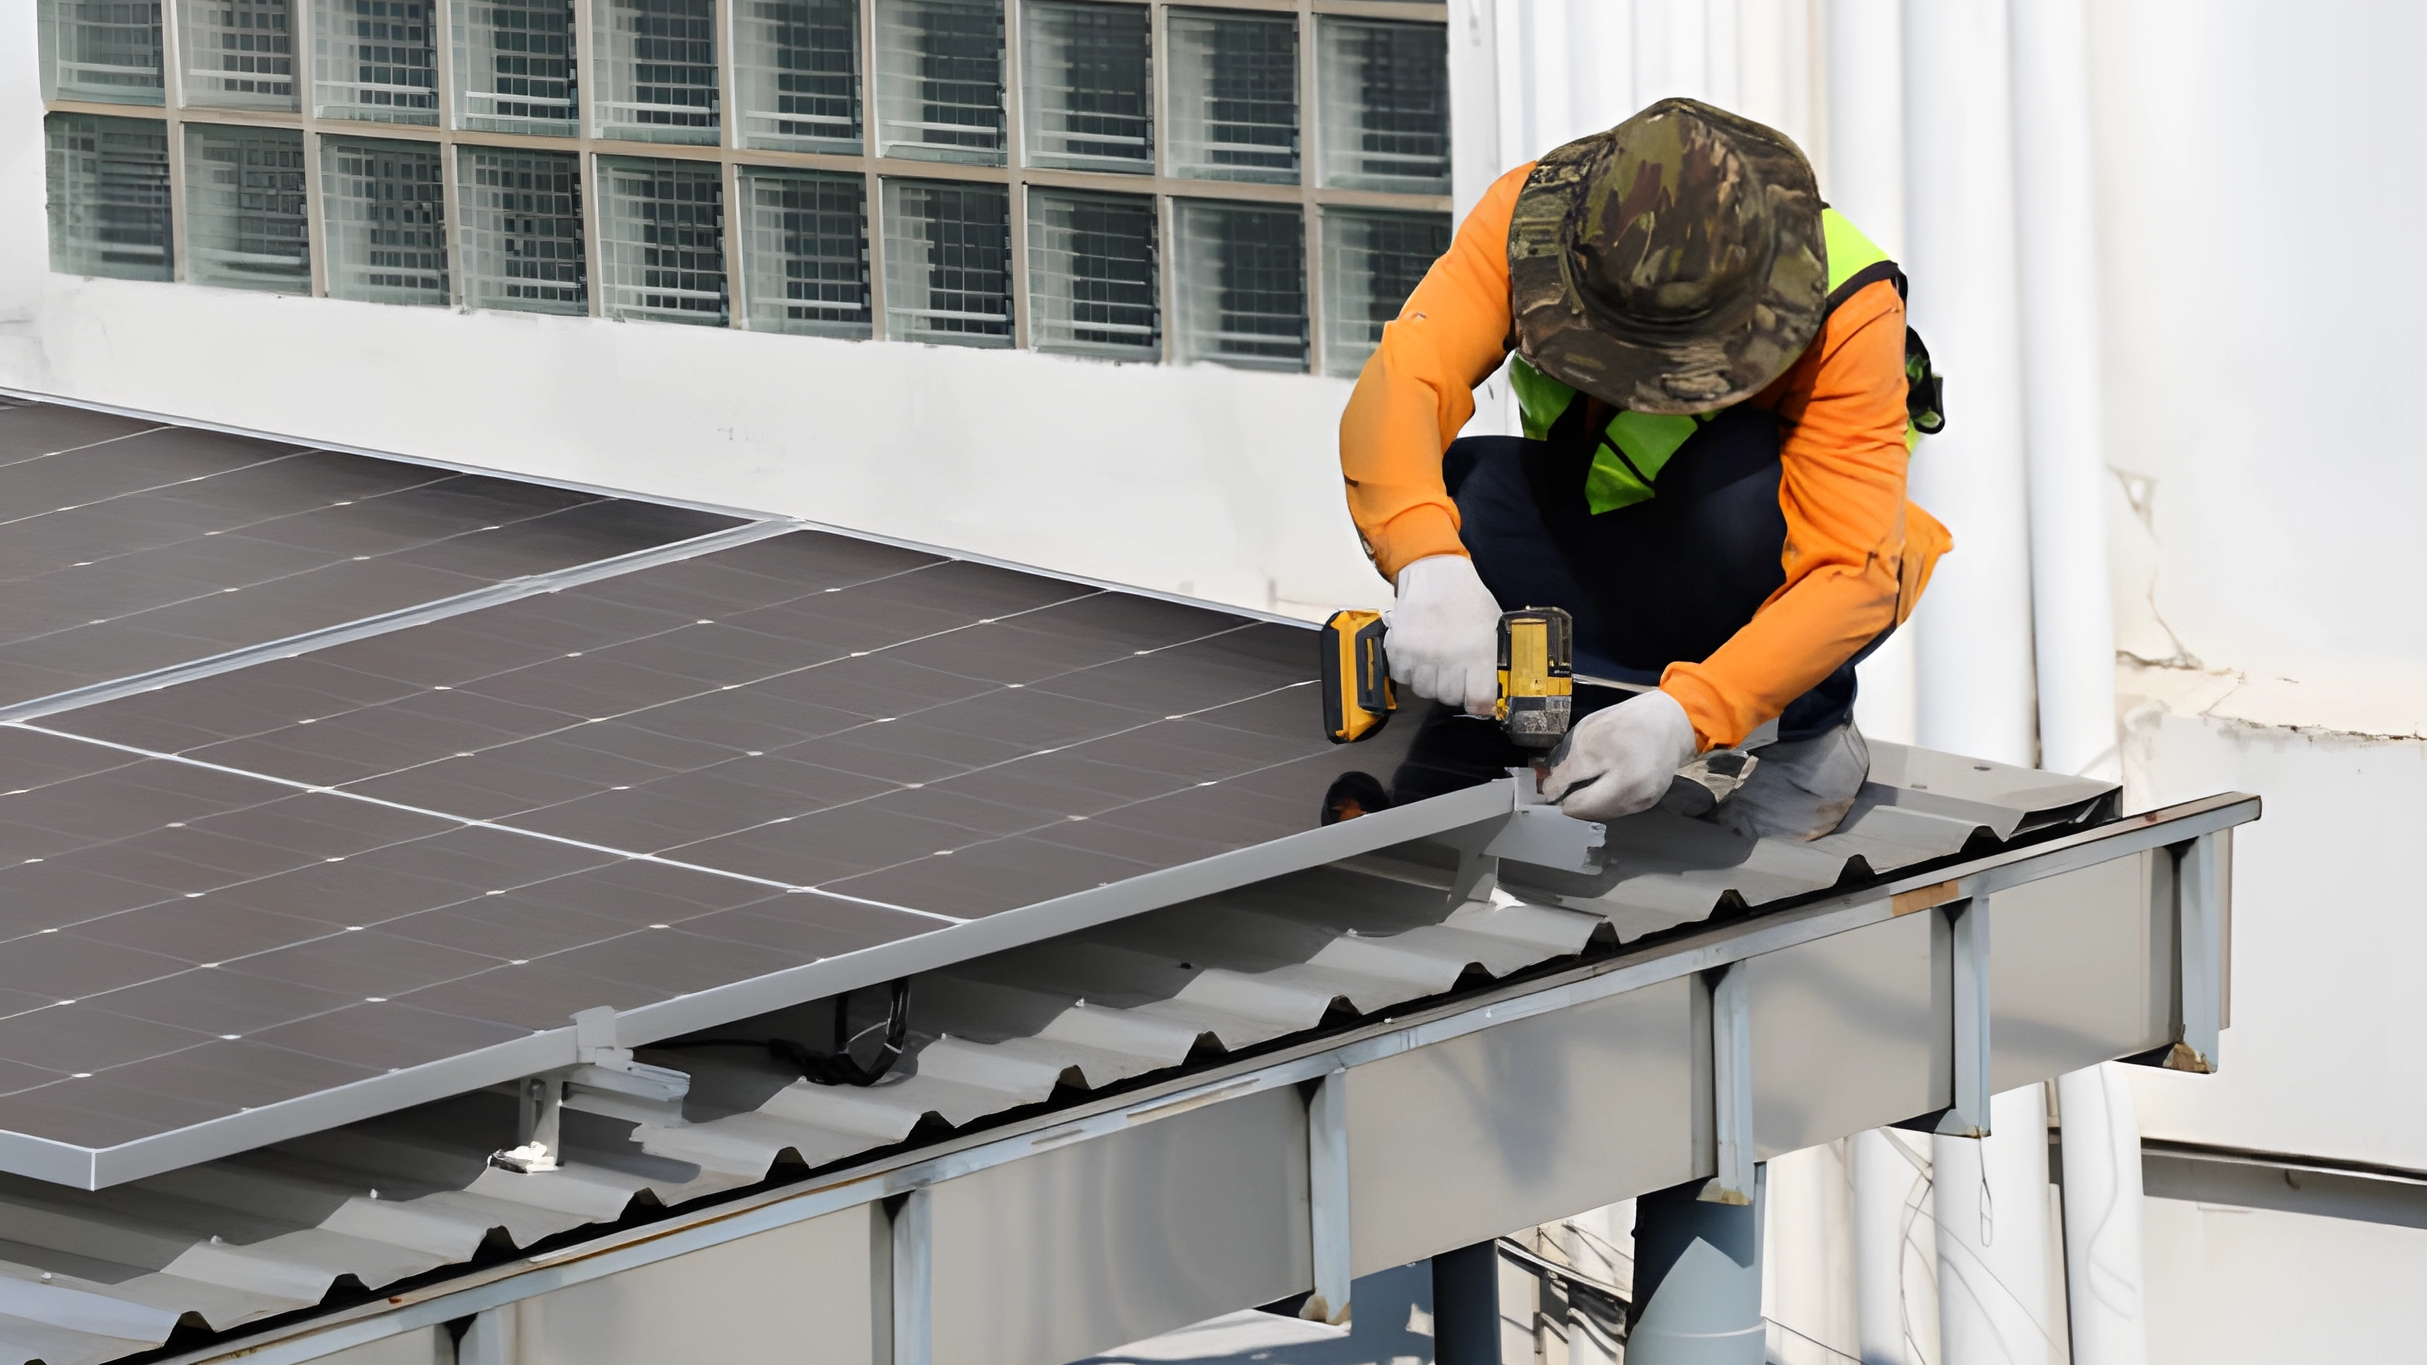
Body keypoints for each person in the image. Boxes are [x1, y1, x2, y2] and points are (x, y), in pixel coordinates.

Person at [1338, 97, 1949, 840]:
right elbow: (1402, 382)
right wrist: (1426, 560)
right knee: (1465, 490)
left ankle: (1812, 736)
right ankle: (1578, 715)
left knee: (1738, 495)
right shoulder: (1532, 222)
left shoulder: (1849, 301)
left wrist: (1687, 716)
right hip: (1612, 527)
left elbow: (1850, 569)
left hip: (1762, 558)